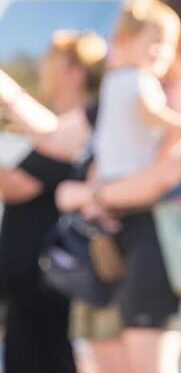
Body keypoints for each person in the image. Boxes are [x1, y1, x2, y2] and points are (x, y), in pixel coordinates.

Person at [60, 0, 181, 273]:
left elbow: (170, 167)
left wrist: (91, 194)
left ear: (180, 33)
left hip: (165, 218)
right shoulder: (150, 80)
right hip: (144, 209)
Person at [86, 0, 181, 373]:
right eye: (152, 43)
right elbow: (155, 116)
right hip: (136, 199)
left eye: (165, 46)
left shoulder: (113, 82)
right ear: (126, 41)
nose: (160, 53)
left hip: (116, 196)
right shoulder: (140, 82)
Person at [0, 31, 104, 373]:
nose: (41, 67)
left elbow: (17, 185)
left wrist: (11, 96)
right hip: (33, 278)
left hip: (47, 275)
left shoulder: (82, 129)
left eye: (50, 60)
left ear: (74, 71)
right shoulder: (69, 129)